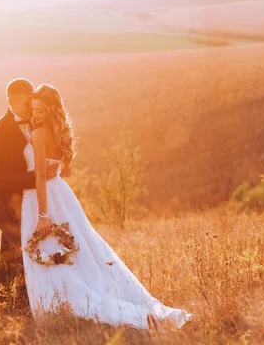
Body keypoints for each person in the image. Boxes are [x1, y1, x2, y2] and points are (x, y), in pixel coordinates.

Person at [20, 84, 192, 329]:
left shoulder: (38, 135)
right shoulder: (60, 133)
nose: (35, 115)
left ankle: (58, 305)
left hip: (43, 197)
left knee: (50, 246)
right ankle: (73, 296)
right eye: (33, 110)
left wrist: (43, 215)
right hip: (62, 193)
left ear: (51, 110)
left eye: (40, 110)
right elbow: (65, 171)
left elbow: (38, 177)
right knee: (80, 245)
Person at [0, 78, 58, 314]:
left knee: (14, 254)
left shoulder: (36, 125)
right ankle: (12, 306)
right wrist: (37, 176)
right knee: (22, 253)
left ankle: (12, 305)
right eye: (25, 104)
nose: (30, 109)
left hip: (28, 202)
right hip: (7, 205)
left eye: (32, 103)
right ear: (10, 101)